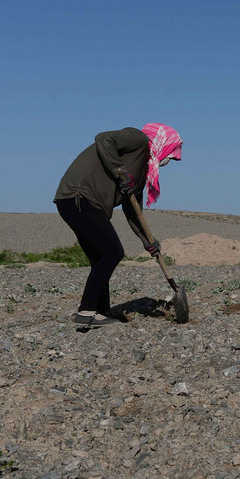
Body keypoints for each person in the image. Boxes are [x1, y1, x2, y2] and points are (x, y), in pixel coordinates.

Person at [54, 123, 183, 327]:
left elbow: (133, 211)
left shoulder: (141, 170)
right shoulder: (138, 139)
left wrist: (148, 241)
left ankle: (101, 312)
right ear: (163, 143)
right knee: (112, 252)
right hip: (79, 197)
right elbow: (103, 138)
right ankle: (86, 311)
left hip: (77, 202)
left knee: (100, 258)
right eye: (172, 152)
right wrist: (118, 170)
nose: (172, 158)